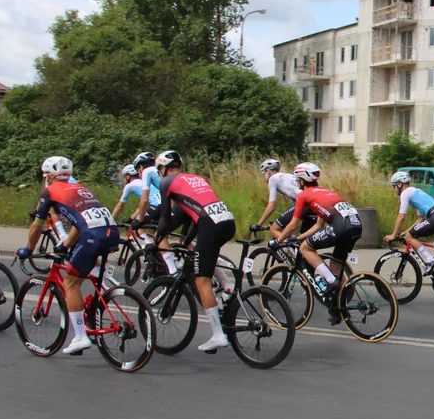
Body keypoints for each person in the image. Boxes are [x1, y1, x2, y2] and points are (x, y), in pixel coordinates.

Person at [15, 157, 119, 354]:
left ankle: (80, 337)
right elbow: (79, 223)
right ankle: (101, 290)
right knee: (86, 267)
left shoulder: (49, 191)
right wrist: (65, 245)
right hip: (111, 232)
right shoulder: (80, 187)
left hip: (92, 235)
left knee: (70, 283)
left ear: (48, 176)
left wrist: (28, 249)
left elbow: (37, 226)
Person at [151, 151, 237, 353]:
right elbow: (196, 213)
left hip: (210, 225)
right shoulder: (196, 178)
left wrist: (156, 242)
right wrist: (186, 241)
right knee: (205, 258)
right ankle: (227, 287)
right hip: (227, 221)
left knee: (202, 281)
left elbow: (164, 220)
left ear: (163, 169)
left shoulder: (166, 183)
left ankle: (217, 335)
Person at [274, 162, 362, 322]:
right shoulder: (326, 192)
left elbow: (292, 225)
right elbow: (319, 225)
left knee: (306, 249)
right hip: (356, 225)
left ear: (301, 180)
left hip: (341, 226)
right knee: (336, 266)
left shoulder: (304, 195)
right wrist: (298, 238)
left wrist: (278, 241)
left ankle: (330, 281)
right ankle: (339, 310)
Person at [386, 170, 434, 276]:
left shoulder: (405, 193)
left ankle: (429, 260)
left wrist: (393, 235)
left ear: (399, 184)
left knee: (409, 237)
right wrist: (406, 231)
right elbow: (420, 219)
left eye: (393, 186)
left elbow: (401, 217)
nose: (393, 189)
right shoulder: (416, 192)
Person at [129, 151, 178, 276]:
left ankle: (173, 271)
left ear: (140, 167)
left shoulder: (147, 172)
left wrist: (139, 219)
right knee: (185, 242)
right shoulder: (158, 172)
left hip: (160, 206)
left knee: (159, 235)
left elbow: (144, 200)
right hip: (174, 205)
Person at [253, 158, 314, 241]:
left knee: (274, 229)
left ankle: (289, 243)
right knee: (303, 242)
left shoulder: (273, 179)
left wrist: (258, 225)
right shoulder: (288, 176)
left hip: (305, 204)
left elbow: (271, 207)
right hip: (314, 205)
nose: (264, 176)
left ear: (268, 171)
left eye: (264, 173)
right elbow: (295, 204)